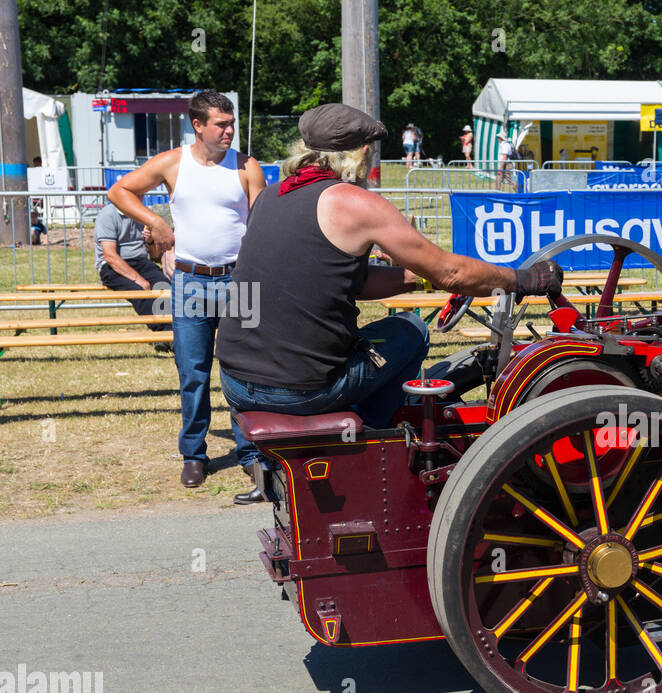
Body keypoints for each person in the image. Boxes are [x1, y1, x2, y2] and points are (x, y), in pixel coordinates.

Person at [214, 103, 563, 444]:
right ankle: (377, 437)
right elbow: (452, 273)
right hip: (301, 391)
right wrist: (524, 279)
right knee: (411, 330)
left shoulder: (271, 196)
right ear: (363, 151)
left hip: (234, 379)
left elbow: (351, 281)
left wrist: (415, 278)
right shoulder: (354, 202)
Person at [107, 90, 267, 498]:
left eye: (232, 123)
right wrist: (156, 224)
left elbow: (264, 224)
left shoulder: (247, 166)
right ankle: (194, 453)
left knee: (245, 371)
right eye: (221, 124)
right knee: (193, 372)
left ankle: (250, 452)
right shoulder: (173, 162)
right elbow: (120, 191)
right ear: (198, 125)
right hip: (191, 280)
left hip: (240, 281)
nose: (230, 131)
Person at [93, 201, 172, 352]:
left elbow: (155, 255)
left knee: (164, 285)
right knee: (139, 290)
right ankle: (164, 332)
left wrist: (150, 241)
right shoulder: (108, 215)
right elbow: (110, 256)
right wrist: (138, 279)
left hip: (141, 262)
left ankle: (168, 333)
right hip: (112, 266)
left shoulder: (144, 215)